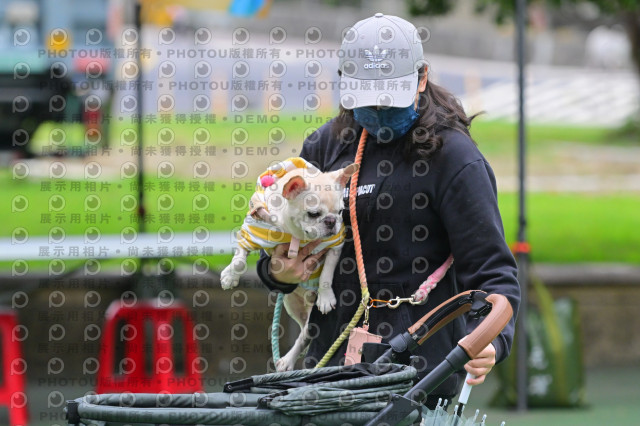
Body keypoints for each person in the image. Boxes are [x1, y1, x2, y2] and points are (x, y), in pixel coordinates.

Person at [256, 12, 520, 409]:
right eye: (367, 98)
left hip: (418, 375)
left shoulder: (455, 158)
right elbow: (275, 247)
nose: (379, 108)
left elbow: (492, 272)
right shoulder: (326, 146)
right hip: (323, 369)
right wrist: (278, 272)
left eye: (390, 97)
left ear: (422, 78)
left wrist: (490, 339)